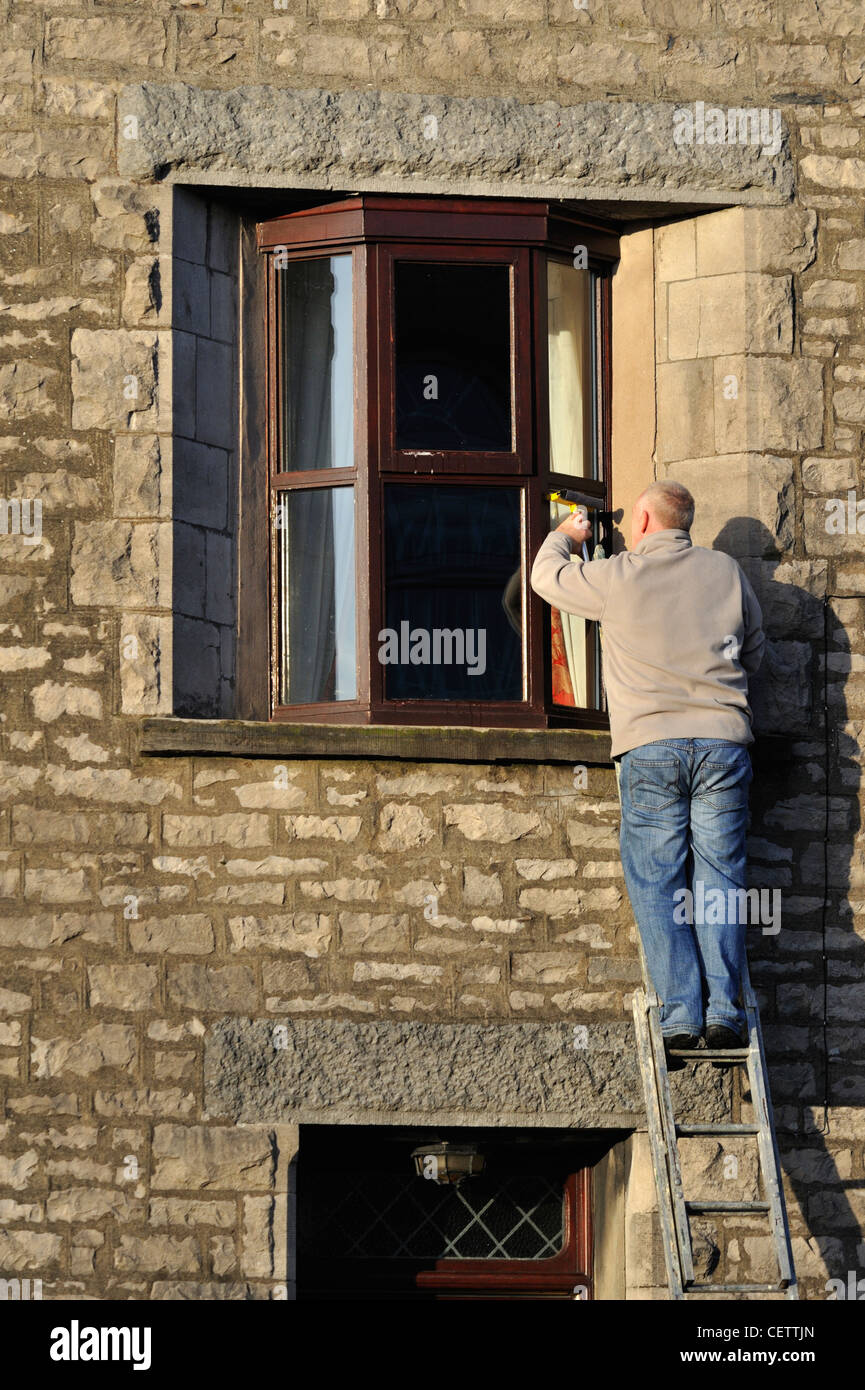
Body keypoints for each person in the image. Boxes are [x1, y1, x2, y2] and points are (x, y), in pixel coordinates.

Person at [530, 481, 765, 1060]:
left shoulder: (620, 575)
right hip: (724, 744)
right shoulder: (727, 572)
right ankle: (727, 1011)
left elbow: (545, 579)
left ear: (641, 518)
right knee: (722, 881)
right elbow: (756, 651)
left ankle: (683, 1011)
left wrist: (568, 533)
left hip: (651, 745)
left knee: (658, 880)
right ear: (687, 523)